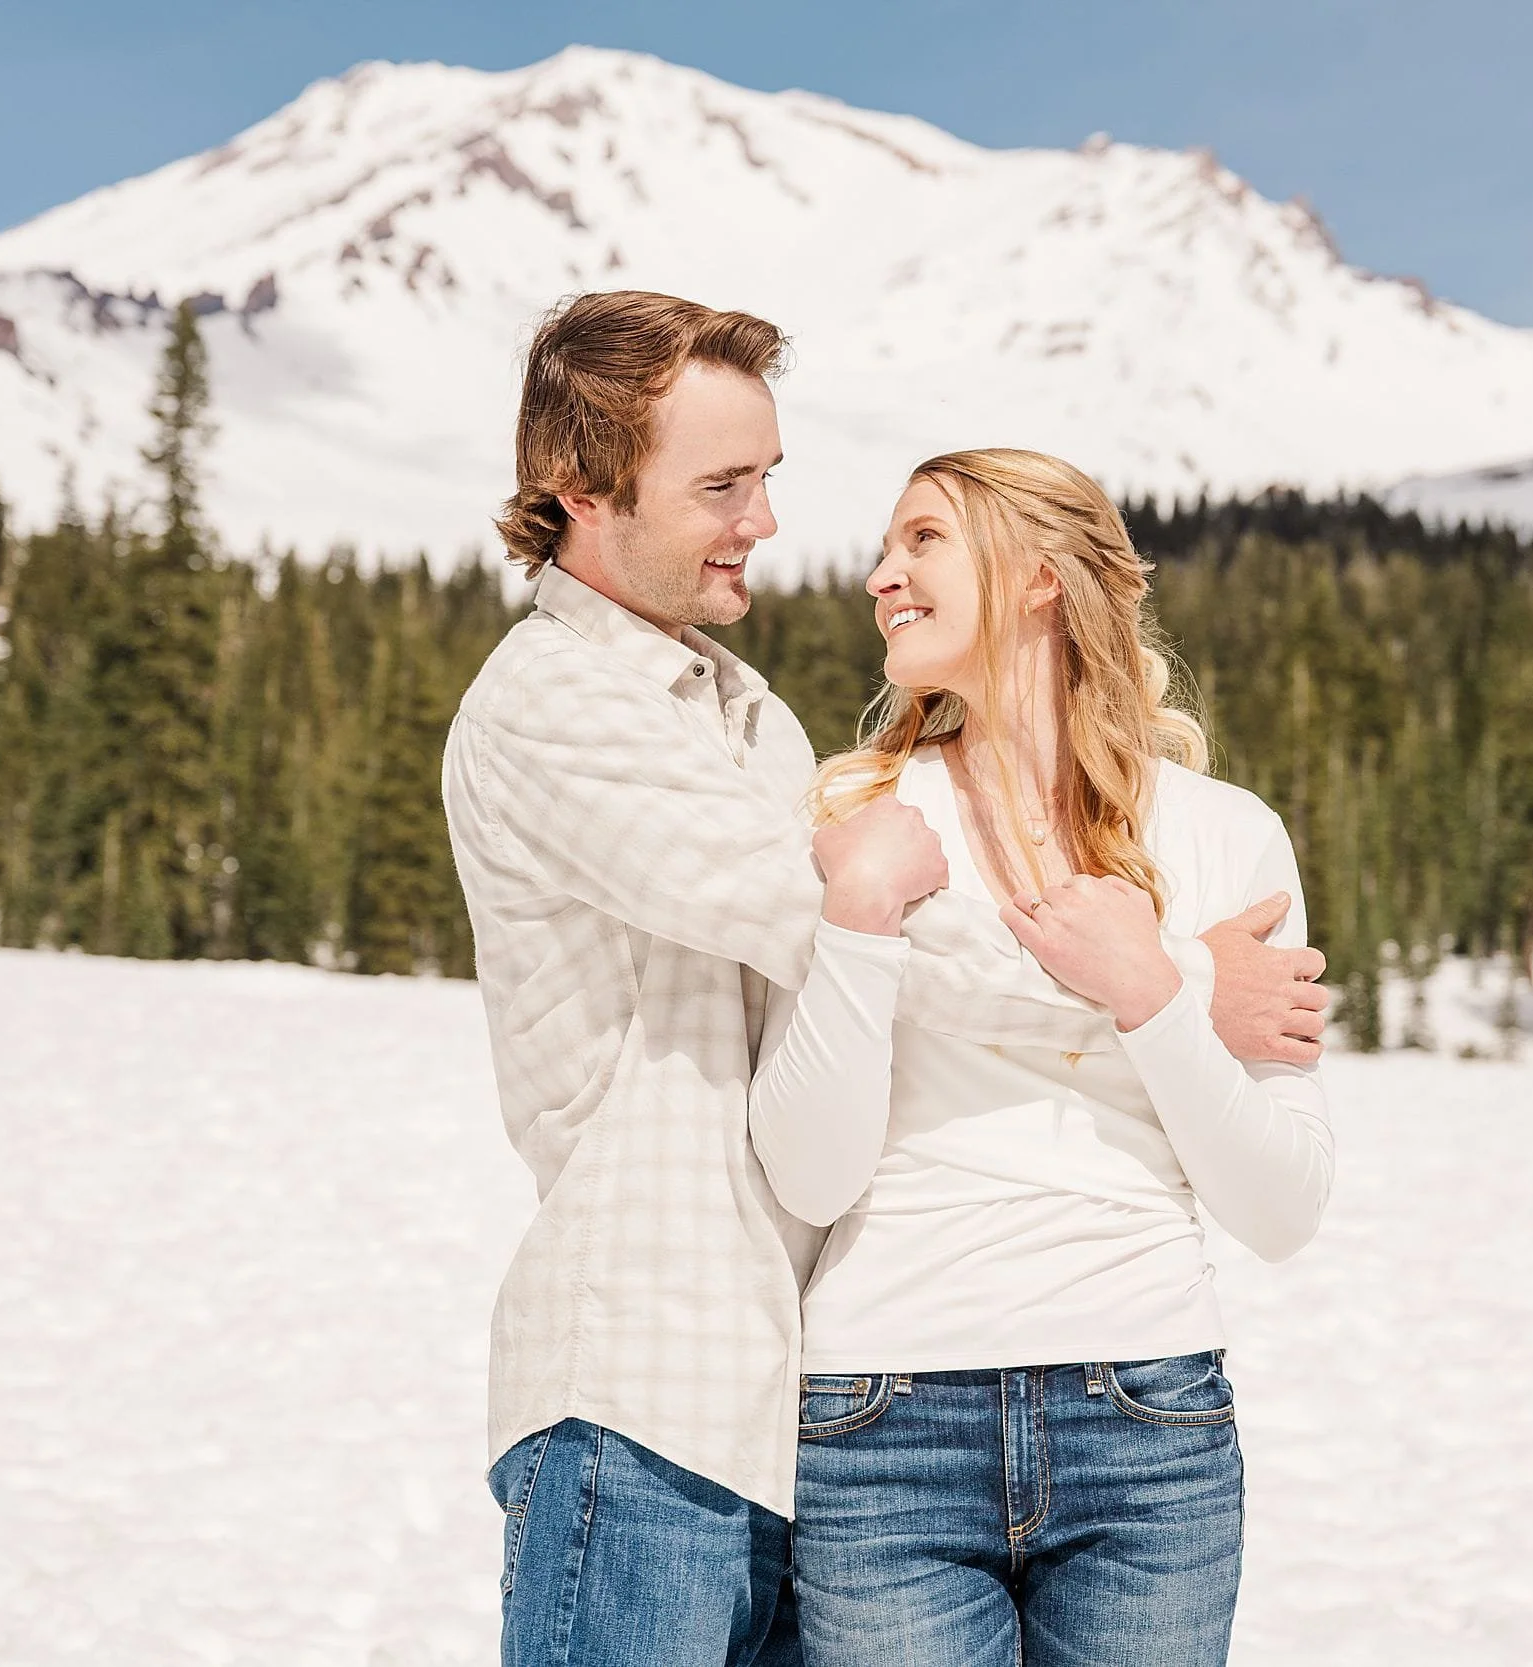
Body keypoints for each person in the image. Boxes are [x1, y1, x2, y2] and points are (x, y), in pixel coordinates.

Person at [440, 292, 1332, 1667]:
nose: (766, 521)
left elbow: (862, 964)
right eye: (723, 484)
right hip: (644, 1393)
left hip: (786, 1408)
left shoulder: (747, 717)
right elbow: (832, 928)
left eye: (767, 476)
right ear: (582, 489)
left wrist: (1153, 982)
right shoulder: (555, 703)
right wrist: (1162, 982)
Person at [747, 449, 1334, 1667]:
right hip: (882, 1420)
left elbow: (1281, 1205)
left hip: (1148, 1420)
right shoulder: (856, 827)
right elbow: (808, 1174)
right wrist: (859, 918)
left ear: (1039, 579)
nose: (878, 576)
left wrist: (1152, 991)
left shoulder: (1224, 834)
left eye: (923, 539)